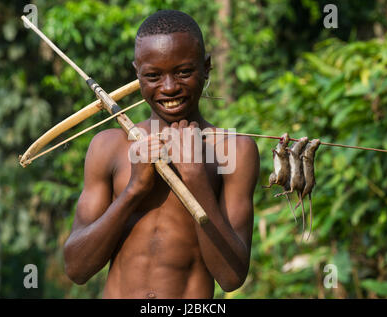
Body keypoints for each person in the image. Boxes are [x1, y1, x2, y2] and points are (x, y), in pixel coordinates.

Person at [63, 9, 260, 299]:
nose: (169, 88)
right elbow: (77, 269)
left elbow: (231, 277)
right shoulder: (109, 146)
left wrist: (195, 177)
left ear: (206, 67)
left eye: (183, 72)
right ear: (137, 74)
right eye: (153, 75)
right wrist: (134, 190)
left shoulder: (233, 150)